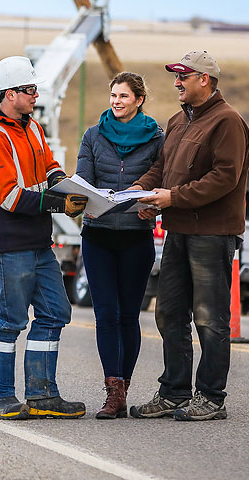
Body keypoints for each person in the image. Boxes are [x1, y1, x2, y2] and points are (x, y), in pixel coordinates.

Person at [128, 51, 249, 421]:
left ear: (205, 81)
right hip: (178, 230)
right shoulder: (179, 121)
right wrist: (140, 192)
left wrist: (172, 198)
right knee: (169, 314)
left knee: (210, 319)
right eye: (176, 77)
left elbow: (224, 177)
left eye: (184, 76)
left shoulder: (228, 121)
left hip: (212, 235)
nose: (177, 82)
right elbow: (162, 168)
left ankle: (211, 397)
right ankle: (175, 393)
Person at [0, 55, 89, 420]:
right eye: (30, 89)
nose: (36, 95)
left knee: (55, 311)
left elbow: (49, 165)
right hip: (8, 245)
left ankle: (42, 396)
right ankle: (2, 398)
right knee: (9, 321)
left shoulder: (31, 127)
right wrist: (59, 204)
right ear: (10, 94)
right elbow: (9, 197)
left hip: (37, 243)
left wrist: (64, 183)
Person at [75, 72, 164, 419]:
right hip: (97, 235)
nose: (116, 101)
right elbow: (83, 180)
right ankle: (113, 393)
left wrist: (150, 205)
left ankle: (124, 386)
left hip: (135, 237)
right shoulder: (93, 135)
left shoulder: (157, 138)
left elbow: (163, 180)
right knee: (105, 315)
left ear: (139, 100)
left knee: (129, 316)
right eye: (113, 95)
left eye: (124, 96)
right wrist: (86, 199)